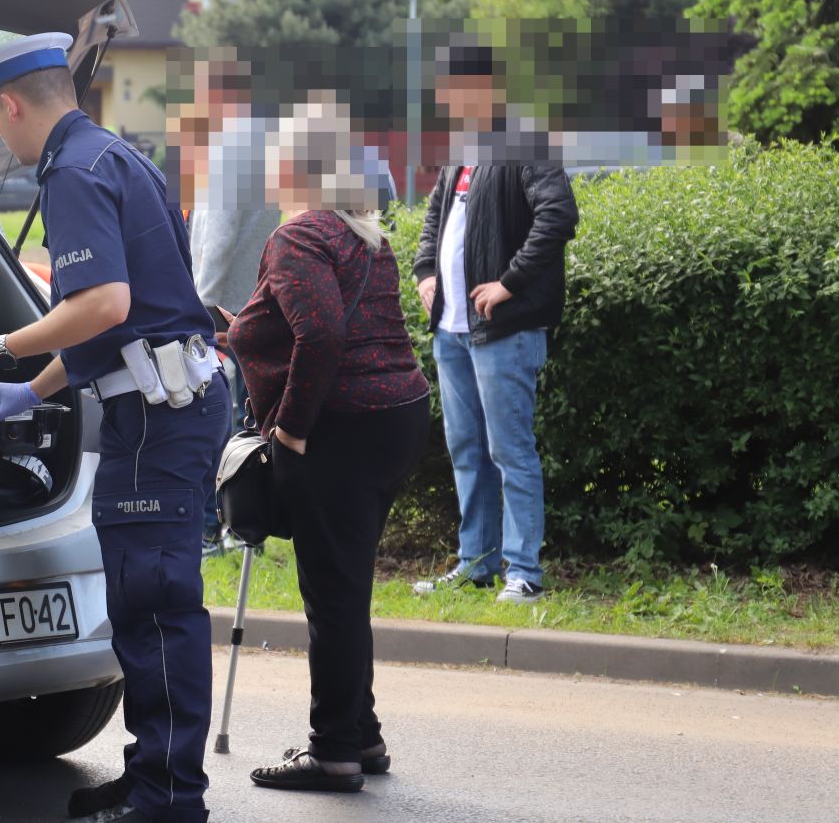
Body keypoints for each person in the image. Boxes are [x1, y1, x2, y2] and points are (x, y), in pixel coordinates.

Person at [0, 32, 229, 823]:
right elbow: (120, 327)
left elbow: (101, 305)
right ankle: (152, 775)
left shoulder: (70, 172)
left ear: (10, 104)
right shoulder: (119, 156)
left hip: (156, 423)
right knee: (147, 604)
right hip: (168, 401)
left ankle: (170, 796)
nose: (0, 134)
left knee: (157, 606)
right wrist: (31, 389)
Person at [226, 104, 430, 795]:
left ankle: (334, 748)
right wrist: (234, 330)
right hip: (397, 416)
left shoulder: (298, 236)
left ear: (293, 166)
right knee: (349, 584)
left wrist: (289, 429)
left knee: (332, 592)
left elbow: (323, 337)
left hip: (342, 426)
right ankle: (360, 732)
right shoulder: (361, 232)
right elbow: (310, 324)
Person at [412, 44, 579, 603]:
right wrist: (422, 273)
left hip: (503, 331)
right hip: (453, 331)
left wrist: (509, 283)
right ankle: (477, 564)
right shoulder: (462, 151)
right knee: (467, 449)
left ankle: (524, 572)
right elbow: (434, 220)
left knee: (510, 450)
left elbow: (558, 214)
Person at [179, 57, 280, 549]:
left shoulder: (228, 154)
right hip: (258, 307)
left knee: (215, 423)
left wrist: (199, 310)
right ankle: (246, 528)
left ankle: (216, 531)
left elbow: (216, 243)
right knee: (248, 423)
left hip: (221, 315)